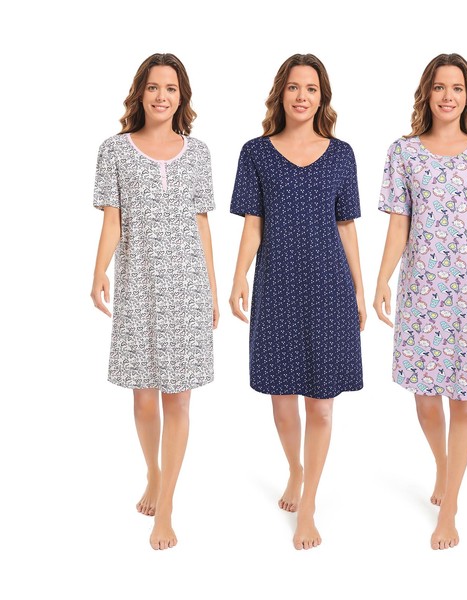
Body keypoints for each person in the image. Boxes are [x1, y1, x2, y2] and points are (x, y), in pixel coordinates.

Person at [374, 53, 467, 550]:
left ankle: (450, 505)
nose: (448, 96)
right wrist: (382, 279)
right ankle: (443, 464)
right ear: (427, 94)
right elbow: (399, 222)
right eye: (439, 87)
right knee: (426, 398)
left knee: (466, 403)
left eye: (457, 88)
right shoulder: (404, 152)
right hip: (423, 290)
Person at [229, 53, 365, 550]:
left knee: (322, 408)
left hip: (329, 287)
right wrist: (239, 275)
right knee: (282, 401)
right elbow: (253, 223)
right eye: (293, 87)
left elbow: (346, 226)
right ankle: (295, 468)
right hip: (277, 285)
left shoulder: (342, 154)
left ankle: (308, 503)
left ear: (321, 97)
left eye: (310, 88)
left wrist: (359, 288)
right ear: (280, 94)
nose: (302, 96)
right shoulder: (256, 153)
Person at [90, 53, 218, 551]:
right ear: (140, 93)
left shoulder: (199, 152)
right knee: (143, 396)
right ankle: (153, 472)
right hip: (138, 287)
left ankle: (166, 507)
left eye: (170, 88)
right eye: (153, 87)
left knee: (178, 398)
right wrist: (99, 270)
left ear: (181, 96)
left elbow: (202, 224)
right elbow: (113, 220)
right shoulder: (114, 150)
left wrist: (212, 288)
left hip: (187, 287)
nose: (161, 96)